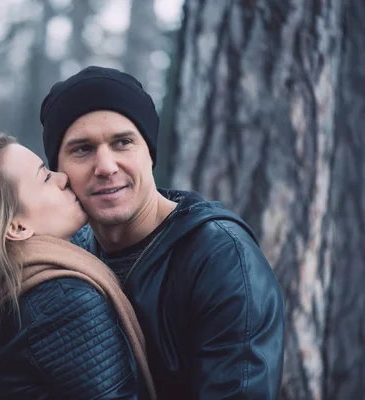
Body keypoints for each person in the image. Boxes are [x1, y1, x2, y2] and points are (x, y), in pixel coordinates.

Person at [40, 66, 286, 399]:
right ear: (59, 171)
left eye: (123, 142)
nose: (106, 166)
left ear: (149, 154)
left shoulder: (221, 258)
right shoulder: (72, 256)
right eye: (82, 149)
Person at [0, 133, 156, 400]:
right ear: (17, 227)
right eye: (46, 177)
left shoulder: (3, 293)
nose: (63, 177)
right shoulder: (63, 303)